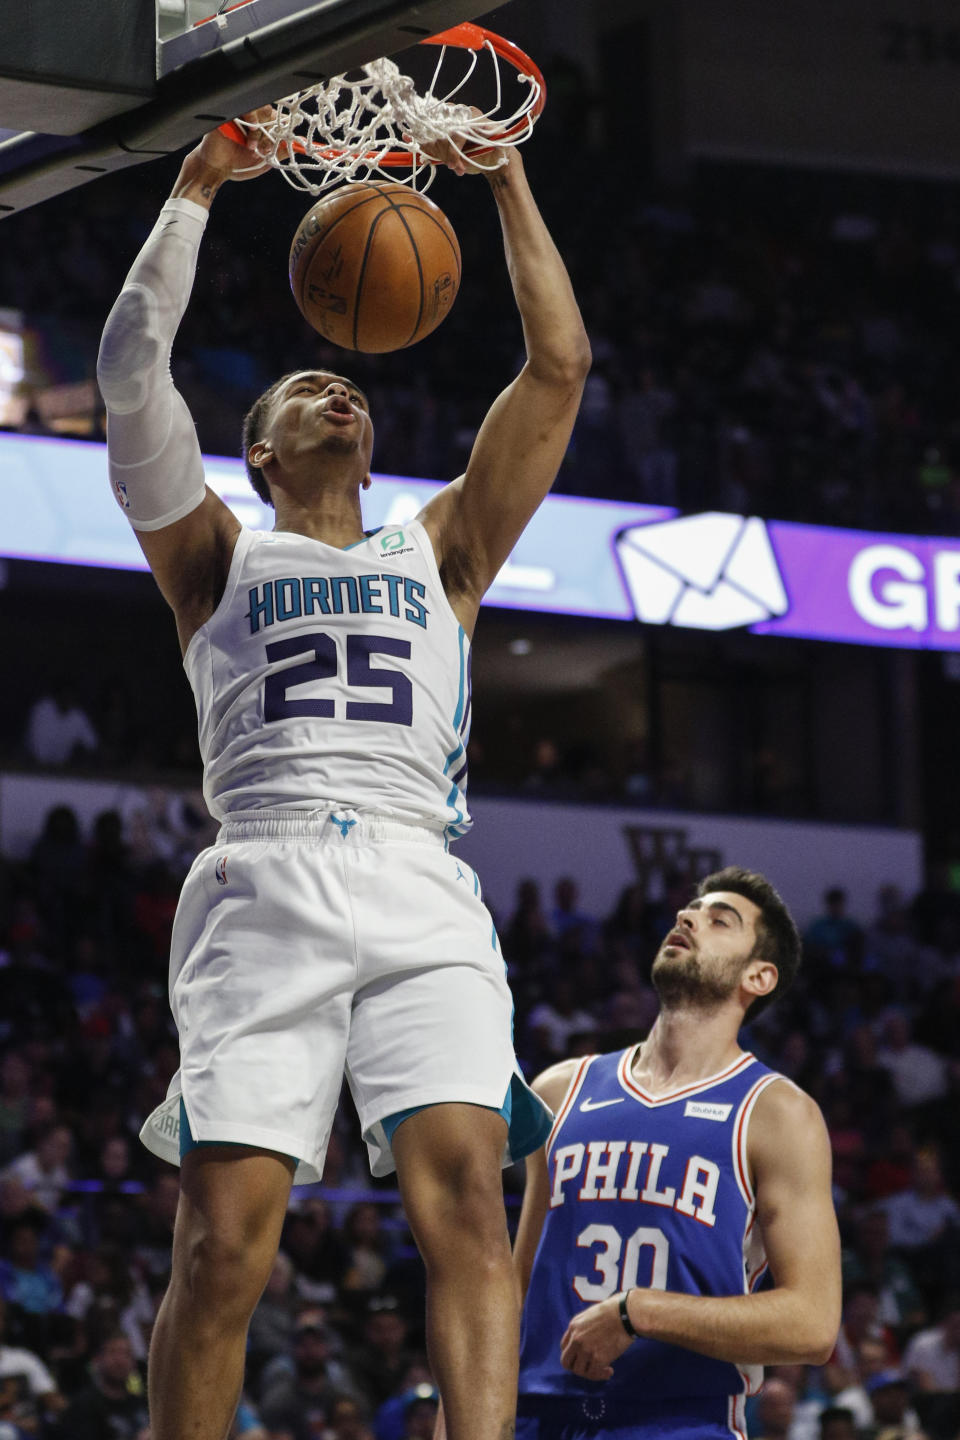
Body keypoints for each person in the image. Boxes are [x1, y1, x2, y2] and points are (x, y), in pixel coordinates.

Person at [96, 104, 589, 1440]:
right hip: (263, 878)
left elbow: (557, 372)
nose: (340, 391)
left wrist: (508, 186)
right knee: (222, 1253)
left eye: (351, 390)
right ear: (257, 452)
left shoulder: (444, 547)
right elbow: (132, 375)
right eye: (304, 392)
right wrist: (197, 186)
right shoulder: (214, 556)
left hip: (419, 877)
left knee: (471, 1224)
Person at [512, 866, 842, 1440]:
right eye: (690, 911)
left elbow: (812, 1323)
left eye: (721, 920)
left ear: (759, 976)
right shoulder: (560, 1089)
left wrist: (638, 1312)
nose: (688, 918)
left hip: (681, 1422)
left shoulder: (776, 1113)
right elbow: (511, 1291)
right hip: (537, 1419)